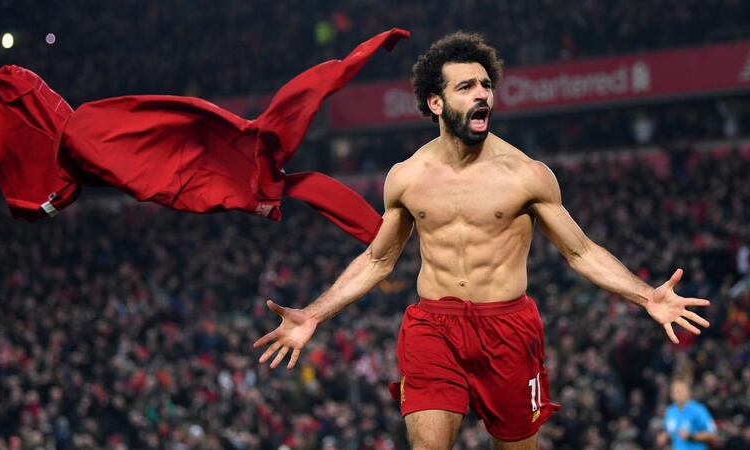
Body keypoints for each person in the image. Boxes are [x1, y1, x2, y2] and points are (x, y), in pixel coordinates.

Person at [254, 32, 711, 450]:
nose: (482, 94)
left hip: (508, 328)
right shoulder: (407, 178)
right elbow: (378, 260)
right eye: (466, 87)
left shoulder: (526, 175)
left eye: (485, 85)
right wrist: (314, 313)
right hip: (434, 325)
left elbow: (582, 251)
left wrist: (646, 296)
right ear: (436, 103)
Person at [659, 377, 718, 450]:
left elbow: (713, 435)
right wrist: (664, 437)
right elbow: (670, 432)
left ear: (688, 392)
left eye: (680, 391)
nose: (677, 394)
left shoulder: (698, 410)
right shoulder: (670, 411)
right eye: (675, 391)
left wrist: (691, 436)